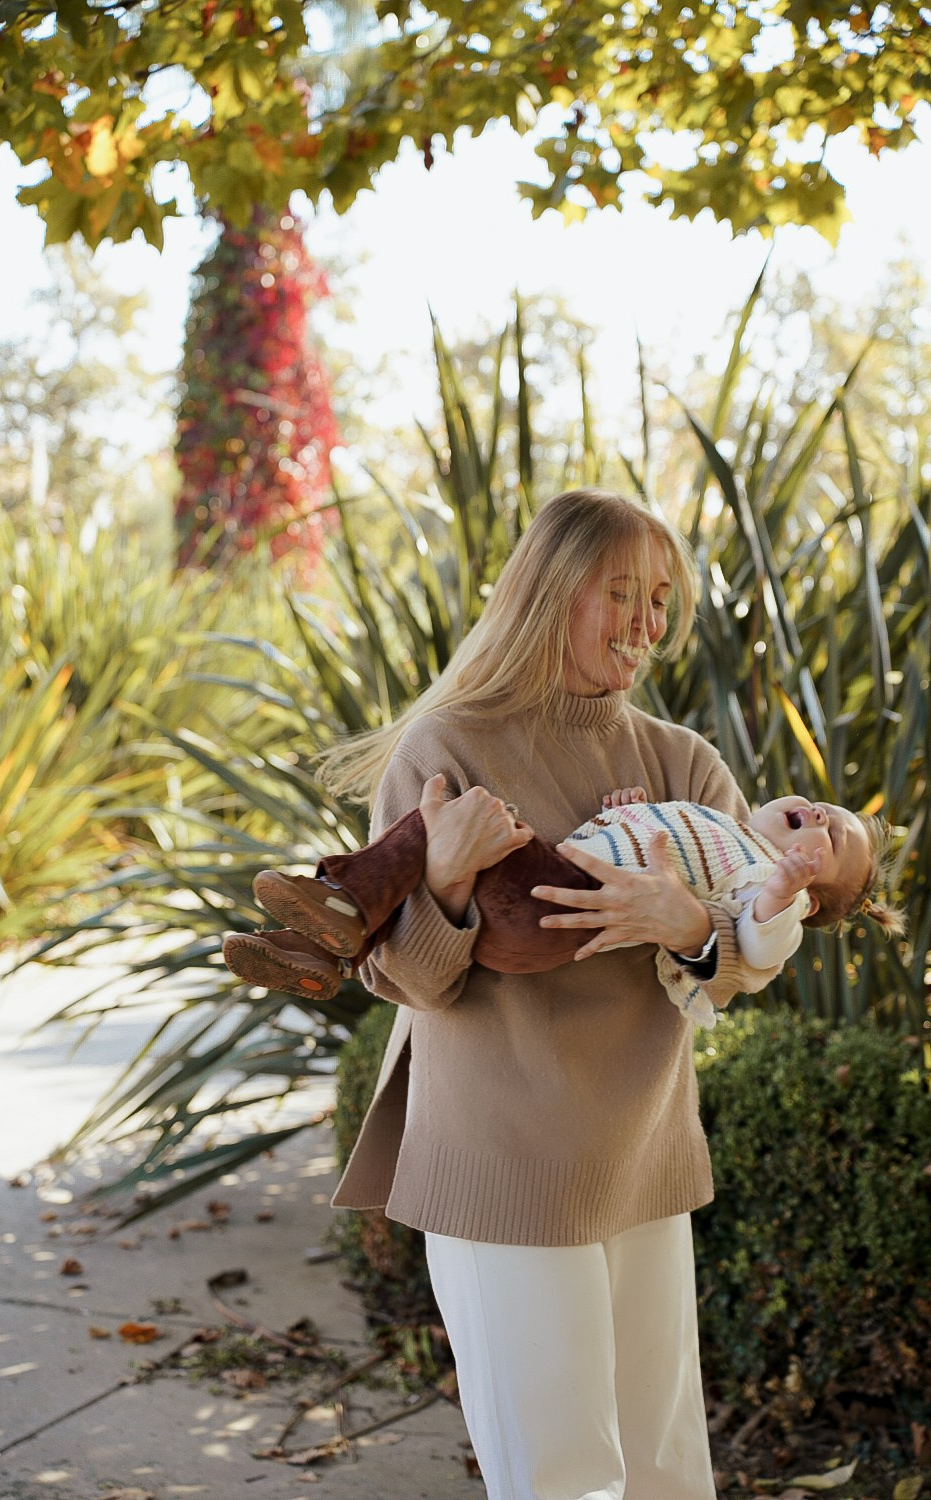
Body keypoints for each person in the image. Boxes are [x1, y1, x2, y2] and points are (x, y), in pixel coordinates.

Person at [245, 489, 874, 1500]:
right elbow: (400, 980)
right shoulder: (444, 746)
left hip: (638, 1152)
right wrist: (443, 882)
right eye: (617, 593)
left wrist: (679, 922)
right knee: (560, 1473)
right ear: (545, 595)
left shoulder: (681, 760)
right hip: (502, 1154)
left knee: (665, 1462)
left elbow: (756, 940)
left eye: (660, 599)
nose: (646, 623)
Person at [222, 785, 901, 1027]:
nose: (815, 813)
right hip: (536, 902)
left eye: (829, 834)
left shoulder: (760, 876)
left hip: (553, 904)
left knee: (450, 818)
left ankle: (343, 901)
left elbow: (753, 955)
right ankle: (319, 950)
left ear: (811, 902)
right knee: (443, 829)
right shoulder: (717, 821)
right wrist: (628, 817)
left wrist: (779, 893)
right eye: (823, 805)